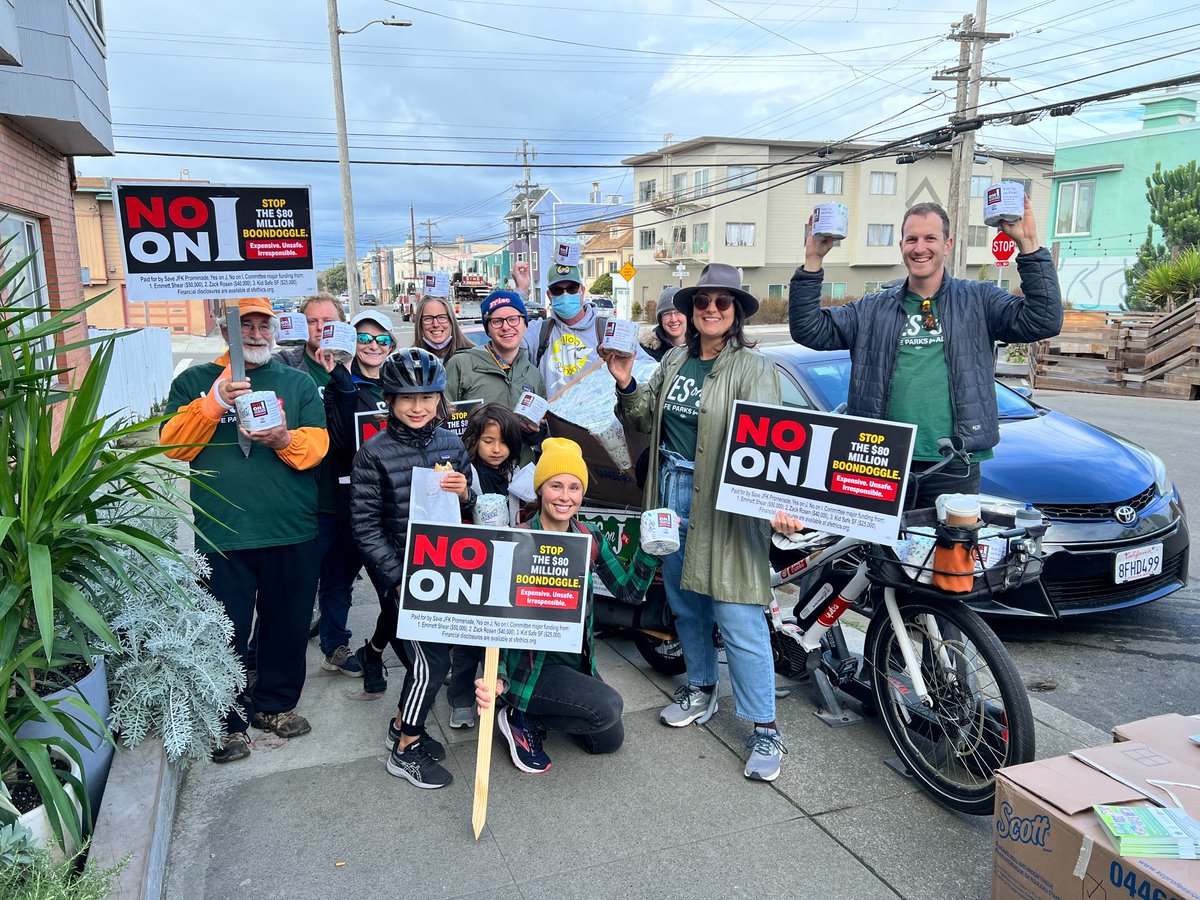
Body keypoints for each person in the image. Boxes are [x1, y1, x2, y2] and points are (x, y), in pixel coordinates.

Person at [607, 262, 787, 783]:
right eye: (701, 301)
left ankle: (765, 728)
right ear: (688, 310)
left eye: (721, 302)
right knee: (687, 602)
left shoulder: (754, 369)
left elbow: (773, 441)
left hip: (726, 502)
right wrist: (626, 383)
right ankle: (701, 688)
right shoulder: (676, 360)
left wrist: (776, 504)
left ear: (736, 313)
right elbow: (643, 417)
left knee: (738, 613)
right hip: (671, 491)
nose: (710, 309)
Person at [789, 197, 1062, 506]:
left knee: (948, 555)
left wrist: (1028, 246)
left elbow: (1043, 321)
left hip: (954, 462)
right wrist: (813, 260)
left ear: (947, 244)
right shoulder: (871, 309)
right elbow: (809, 329)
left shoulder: (979, 300)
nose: (920, 248)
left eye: (930, 238)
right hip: (878, 462)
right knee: (879, 555)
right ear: (901, 245)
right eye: (912, 239)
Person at [162, 297, 329, 763]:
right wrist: (214, 403)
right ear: (224, 330)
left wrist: (283, 439)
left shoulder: (294, 381)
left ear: (275, 330)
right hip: (224, 531)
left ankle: (275, 706)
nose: (255, 335)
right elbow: (173, 445)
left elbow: (317, 445)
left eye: (263, 326)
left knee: (287, 625)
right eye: (245, 326)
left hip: (290, 527)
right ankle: (228, 720)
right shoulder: (194, 382)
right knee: (225, 631)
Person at [474, 438, 660, 774]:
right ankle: (519, 716)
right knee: (607, 707)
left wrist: (650, 550)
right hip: (531, 667)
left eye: (574, 487)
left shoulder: (589, 540)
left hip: (575, 660)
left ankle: (540, 715)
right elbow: (494, 616)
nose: (565, 496)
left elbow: (629, 592)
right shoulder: (516, 540)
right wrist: (496, 676)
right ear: (540, 490)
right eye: (556, 485)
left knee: (607, 740)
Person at [351, 347, 476, 789]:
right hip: (406, 578)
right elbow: (364, 527)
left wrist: (465, 494)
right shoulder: (373, 453)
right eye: (407, 398)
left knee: (435, 658)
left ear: (440, 399)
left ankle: (401, 726)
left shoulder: (451, 443)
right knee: (430, 664)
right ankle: (405, 748)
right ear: (389, 400)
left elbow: (471, 512)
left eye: (427, 398)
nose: (418, 407)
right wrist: (398, 579)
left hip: (447, 573)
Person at [274, 292, 360, 675]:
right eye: (313, 321)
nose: (322, 328)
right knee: (295, 586)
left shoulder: (351, 369)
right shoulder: (286, 367)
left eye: (330, 321)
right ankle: (270, 657)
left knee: (339, 579)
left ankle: (335, 644)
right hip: (300, 495)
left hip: (341, 495)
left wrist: (341, 372)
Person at [316, 309, 396, 688]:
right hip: (349, 497)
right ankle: (335, 645)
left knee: (391, 585)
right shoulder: (339, 384)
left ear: (392, 344)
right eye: (364, 338)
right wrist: (344, 384)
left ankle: (380, 651)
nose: (373, 345)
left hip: (392, 500)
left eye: (381, 339)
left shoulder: (401, 383)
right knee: (339, 575)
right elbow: (343, 440)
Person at [443, 403, 526, 729]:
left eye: (504, 442)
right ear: (474, 440)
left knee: (502, 635)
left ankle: (498, 688)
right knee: (469, 640)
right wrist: (466, 497)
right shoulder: (468, 474)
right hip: (473, 567)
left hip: (507, 564)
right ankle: (461, 697)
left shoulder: (513, 473)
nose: (496, 449)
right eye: (488, 440)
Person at [520, 262, 651, 399]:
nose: (565, 294)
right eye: (557, 290)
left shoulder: (610, 330)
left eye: (572, 288)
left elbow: (648, 372)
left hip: (599, 419)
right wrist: (521, 291)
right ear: (549, 295)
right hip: (553, 419)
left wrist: (626, 380)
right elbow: (502, 339)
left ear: (581, 291)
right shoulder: (538, 331)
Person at [445, 290, 545, 464]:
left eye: (513, 319)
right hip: (475, 474)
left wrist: (533, 431)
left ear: (525, 324)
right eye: (497, 321)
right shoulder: (461, 364)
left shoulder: (533, 374)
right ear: (488, 329)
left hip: (521, 475)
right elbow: (443, 425)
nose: (506, 327)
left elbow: (538, 439)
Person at [411, 295, 474, 361]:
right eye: (428, 318)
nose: (435, 324)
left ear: (451, 321)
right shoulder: (410, 360)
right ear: (420, 324)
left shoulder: (473, 357)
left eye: (442, 317)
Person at [640, 286, 688, 361]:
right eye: (667, 314)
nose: (673, 319)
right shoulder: (646, 352)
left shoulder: (702, 348)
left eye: (678, 312)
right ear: (660, 319)